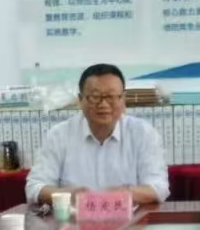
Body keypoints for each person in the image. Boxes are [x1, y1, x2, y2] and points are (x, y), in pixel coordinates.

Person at [25, 64, 169, 207]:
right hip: (73, 220)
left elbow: (159, 188)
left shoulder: (143, 133)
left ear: (123, 99)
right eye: (95, 97)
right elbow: (34, 188)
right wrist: (68, 196)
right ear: (80, 100)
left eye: (111, 96)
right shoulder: (59, 135)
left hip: (128, 219)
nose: (104, 104)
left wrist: (125, 194)